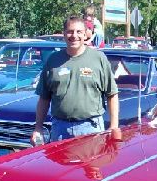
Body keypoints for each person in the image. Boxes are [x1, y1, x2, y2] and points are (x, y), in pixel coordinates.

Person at [30, 16, 119, 146]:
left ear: (85, 34)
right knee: (61, 166)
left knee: (90, 166)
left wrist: (114, 126)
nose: (74, 35)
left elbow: (112, 94)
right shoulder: (53, 60)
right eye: (70, 31)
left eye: (78, 32)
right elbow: (44, 98)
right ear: (64, 34)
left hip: (91, 128)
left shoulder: (98, 59)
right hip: (60, 129)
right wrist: (38, 128)